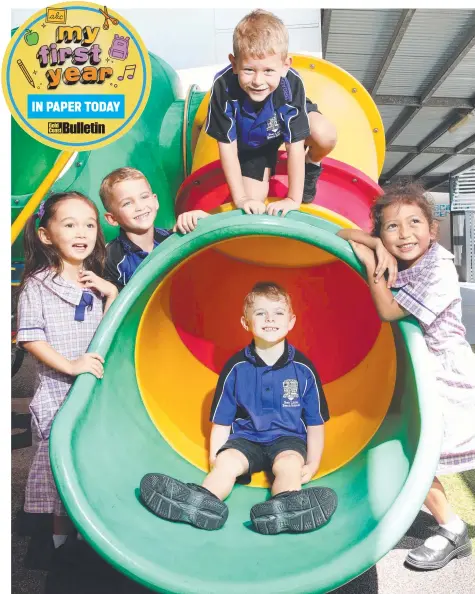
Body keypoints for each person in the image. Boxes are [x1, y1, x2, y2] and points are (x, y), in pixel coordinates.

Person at [337, 181, 475, 570]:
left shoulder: (439, 268)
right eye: (391, 227)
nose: (404, 234)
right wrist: (374, 244)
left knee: (428, 454)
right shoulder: (401, 253)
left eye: (415, 222)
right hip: (422, 372)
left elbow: (390, 311)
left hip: (447, 376)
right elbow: (339, 233)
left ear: (433, 230)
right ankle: (451, 526)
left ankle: (452, 528)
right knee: (420, 452)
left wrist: (370, 264)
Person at [140, 282, 338, 534]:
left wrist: (312, 463)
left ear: (291, 322)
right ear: (246, 323)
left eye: (278, 313)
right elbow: (222, 420)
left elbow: (315, 422)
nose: (269, 319)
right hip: (247, 438)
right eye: (260, 313)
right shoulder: (236, 368)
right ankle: (200, 501)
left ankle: (286, 507)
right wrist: (215, 457)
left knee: (289, 465)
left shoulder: (303, 369)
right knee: (227, 463)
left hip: (288, 438)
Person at [16, 192, 118, 565]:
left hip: (93, 393)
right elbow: (30, 337)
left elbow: (110, 336)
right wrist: (70, 365)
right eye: (70, 224)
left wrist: (112, 295)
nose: (82, 232)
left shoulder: (95, 283)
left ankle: (89, 535)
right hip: (58, 392)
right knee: (60, 466)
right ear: (46, 235)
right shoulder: (38, 285)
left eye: (89, 224)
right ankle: (60, 546)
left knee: (89, 461)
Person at [205, 9, 337, 217]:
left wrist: (293, 199)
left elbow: (294, 145)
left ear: (285, 66)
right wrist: (241, 198)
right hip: (250, 145)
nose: (258, 81)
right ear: (234, 64)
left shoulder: (290, 84)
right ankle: (260, 174)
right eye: (249, 70)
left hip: (280, 124)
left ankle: (311, 164)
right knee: (252, 203)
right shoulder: (224, 87)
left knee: (325, 134)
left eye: (268, 71)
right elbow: (227, 149)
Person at [99, 167, 209, 290]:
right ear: (112, 219)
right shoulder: (110, 258)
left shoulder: (173, 238)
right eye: (127, 203)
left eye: (144, 197)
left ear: (155, 201)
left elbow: (218, 253)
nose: (139, 207)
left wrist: (203, 220)